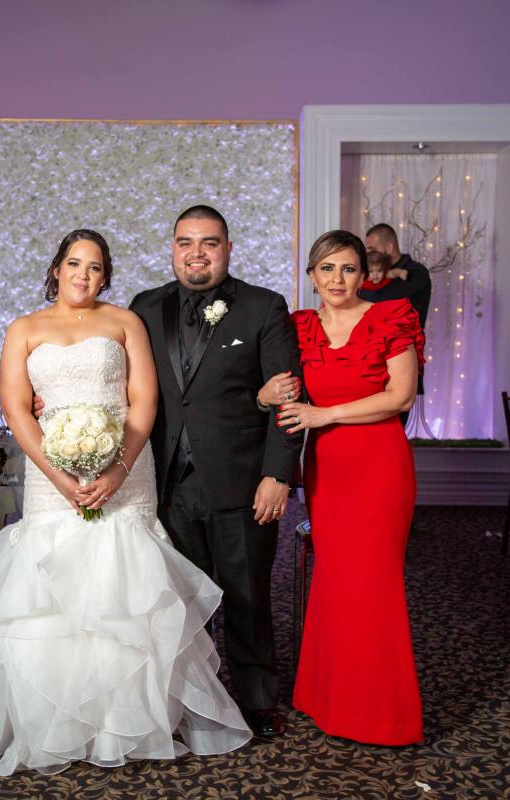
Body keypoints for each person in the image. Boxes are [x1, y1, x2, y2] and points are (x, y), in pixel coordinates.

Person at [0, 229, 250, 776]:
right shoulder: (25, 328)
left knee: (123, 586)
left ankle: (124, 722)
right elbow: (16, 408)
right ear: (56, 268)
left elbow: (144, 400)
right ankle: (52, 721)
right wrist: (58, 477)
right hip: (50, 474)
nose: (83, 274)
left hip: (127, 469)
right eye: (74, 263)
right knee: (51, 592)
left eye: (95, 266)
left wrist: (118, 469)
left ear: (106, 276)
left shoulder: (125, 322)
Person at [128, 205, 303, 738]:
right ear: (173, 249)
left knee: (246, 595)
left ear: (227, 248)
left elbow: (288, 399)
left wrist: (278, 475)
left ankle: (258, 700)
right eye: (186, 242)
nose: (196, 253)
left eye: (209, 242)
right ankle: (194, 700)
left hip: (243, 482)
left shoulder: (263, 307)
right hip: (166, 483)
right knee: (180, 600)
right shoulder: (144, 307)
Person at [260, 229, 424, 745]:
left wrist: (324, 414)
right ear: (312, 276)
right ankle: (328, 700)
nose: (337, 279)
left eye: (348, 268)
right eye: (327, 268)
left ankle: (381, 717)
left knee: (374, 585)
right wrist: (265, 394)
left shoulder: (391, 317)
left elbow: (401, 397)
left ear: (363, 275)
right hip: (327, 469)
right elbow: (277, 388)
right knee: (335, 582)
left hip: (379, 465)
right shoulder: (300, 327)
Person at [360, 223, 432, 421]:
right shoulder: (373, 275)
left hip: (402, 357)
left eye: (372, 249)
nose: (368, 254)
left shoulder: (415, 273)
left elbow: (380, 300)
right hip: (370, 358)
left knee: (395, 423)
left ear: (390, 247)